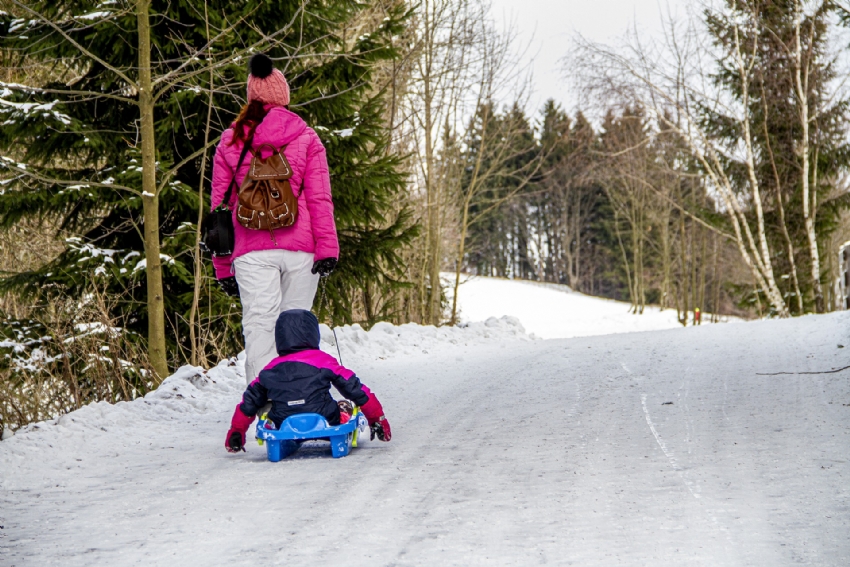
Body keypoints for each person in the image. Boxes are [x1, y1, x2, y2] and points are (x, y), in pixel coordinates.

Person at [211, 53, 339, 385]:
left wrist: (223, 267)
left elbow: (220, 212)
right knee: (294, 325)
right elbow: (319, 199)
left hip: (250, 250)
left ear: (251, 95)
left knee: (259, 324)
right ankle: (298, 398)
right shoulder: (307, 137)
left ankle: (263, 400)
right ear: (283, 95)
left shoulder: (231, 140)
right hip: (301, 250)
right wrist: (327, 249)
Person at [225, 309, 392, 453]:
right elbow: (356, 389)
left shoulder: (269, 369)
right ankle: (341, 426)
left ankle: (279, 437)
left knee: (269, 410)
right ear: (313, 334)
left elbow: (249, 402)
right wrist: (378, 418)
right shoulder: (324, 361)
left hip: (283, 421)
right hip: (327, 418)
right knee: (344, 405)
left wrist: (237, 431)